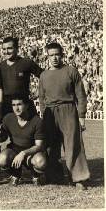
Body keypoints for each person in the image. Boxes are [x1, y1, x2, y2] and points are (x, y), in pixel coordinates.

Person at [39, 42, 90, 190]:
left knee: (73, 144)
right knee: (51, 146)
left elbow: (81, 95)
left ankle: (78, 178)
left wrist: (81, 116)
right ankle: (54, 176)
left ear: (62, 55)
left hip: (68, 110)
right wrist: (44, 115)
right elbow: (42, 98)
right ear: (47, 56)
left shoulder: (71, 71)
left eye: (57, 54)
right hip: (50, 112)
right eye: (51, 55)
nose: (54, 58)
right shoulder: (44, 75)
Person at [0, 94, 47, 186]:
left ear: (27, 105)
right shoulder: (8, 118)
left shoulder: (37, 121)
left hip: (31, 152)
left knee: (40, 162)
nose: (16, 108)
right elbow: (3, 136)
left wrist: (23, 153)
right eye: (14, 105)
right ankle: (15, 174)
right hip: (15, 150)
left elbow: (39, 146)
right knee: (2, 158)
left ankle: (36, 176)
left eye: (19, 104)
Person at [0, 36, 42, 117]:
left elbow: (44, 76)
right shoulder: (0, 66)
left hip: (24, 103)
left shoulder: (26, 63)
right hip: (7, 106)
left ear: (16, 48)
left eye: (9, 48)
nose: (6, 51)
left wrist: (39, 91)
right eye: (4, 49)